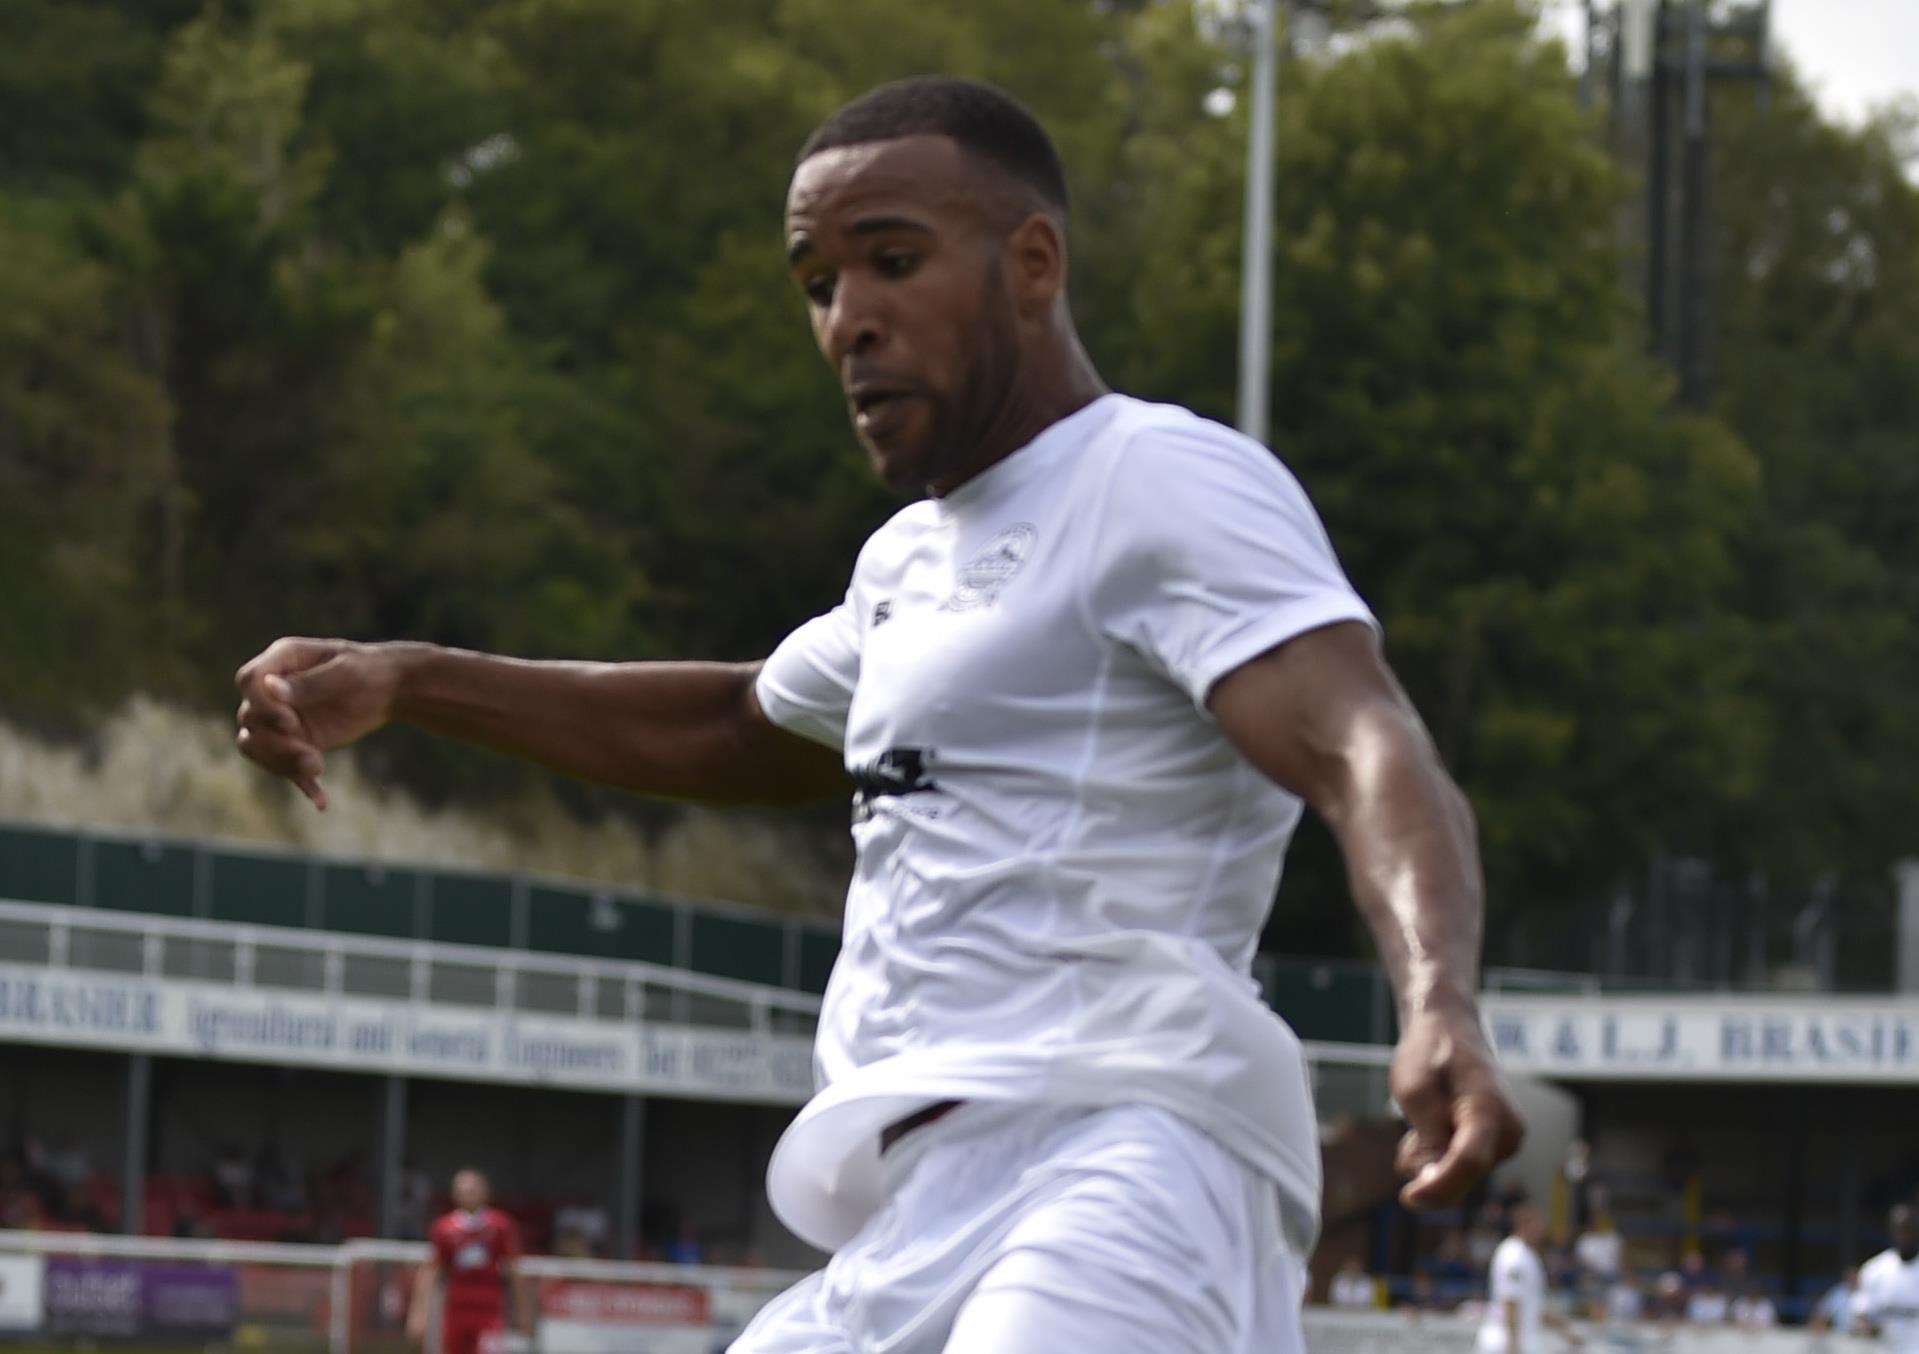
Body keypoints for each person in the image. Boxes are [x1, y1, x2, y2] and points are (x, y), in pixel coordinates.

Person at [234, 75, 1523, 1353]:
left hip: (1124, 1158)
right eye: (816, 284)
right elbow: (739, 725)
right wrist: (411, 677)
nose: (848, 318)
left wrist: (1436, 998)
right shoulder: (907, 562)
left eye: (891, 261)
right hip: (913, 1211)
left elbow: (1365, 747)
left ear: (1030, 265)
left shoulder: (1160, 480)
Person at [406, 1169, 530, 1354]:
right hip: (456, 1307)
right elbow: (432, 1270)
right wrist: (419, 1312)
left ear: (485, 1192)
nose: (468, 1193)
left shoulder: (500, 1225)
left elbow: (513, 1269)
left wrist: (523, 1312)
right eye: (463, 1189)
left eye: (473, 1189)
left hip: (489, 1307)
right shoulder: (444, 1227)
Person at [1476, 1204, 1582, 1353]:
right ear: (1525, 1225)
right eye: (1538, 1223)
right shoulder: (1513, 1255)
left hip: (1522, 1339)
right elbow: (1510, 1301)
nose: (1543, 1229)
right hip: (1505, 1341)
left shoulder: (1528, 1255)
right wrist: (1512, 1347)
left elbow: (1531, 1306)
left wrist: (1562, 1329)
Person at [1857, 1205, 1919, 1349]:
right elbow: (1862, 1312)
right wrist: (1868, 1327)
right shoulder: (1875, 1269)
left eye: (1908, 1229)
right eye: (1899, 1230)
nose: (1904, 1236)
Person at [1810, 1265, 1860, 1335]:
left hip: (1865, 1337)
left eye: (1855, 1277)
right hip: (1842, 1335)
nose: (1853, 1279)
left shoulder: (1867, 1292)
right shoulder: (1838, 1292)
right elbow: (1821, 1312)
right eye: (1850, 1277)